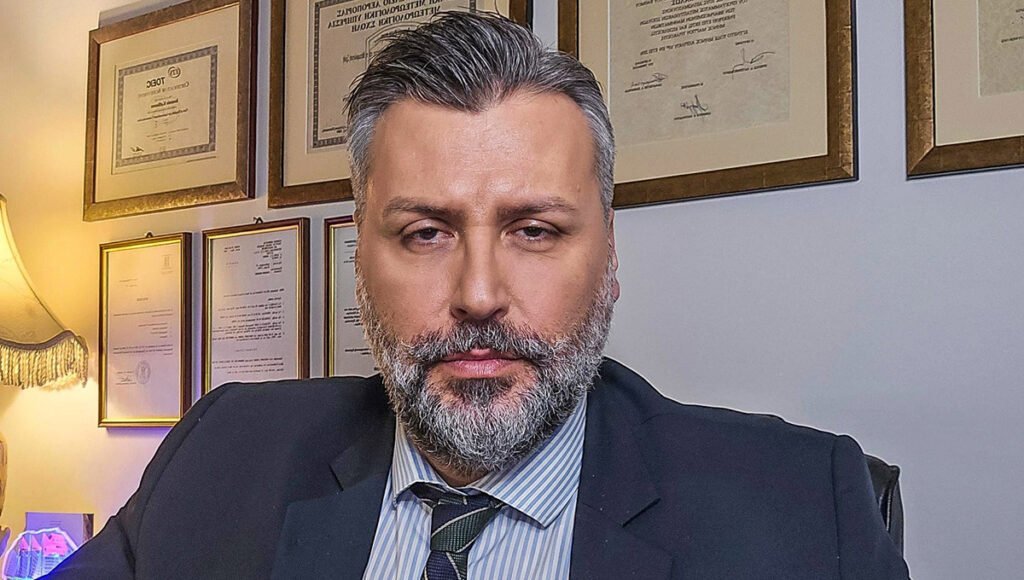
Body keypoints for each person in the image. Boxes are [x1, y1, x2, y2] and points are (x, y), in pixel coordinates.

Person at [48, 11, 909, 580]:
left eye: (534, 230)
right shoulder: (223, 450)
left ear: (609, 255)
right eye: (426, 233)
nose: (480, 294)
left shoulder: (802, 509)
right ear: (361, 259)